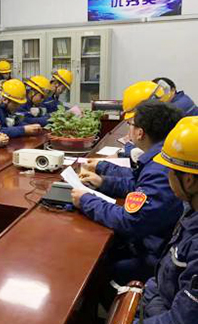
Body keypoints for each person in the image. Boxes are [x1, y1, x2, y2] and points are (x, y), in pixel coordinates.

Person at [72, 100, 184, 284]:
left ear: (140, 133)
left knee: (98, 268)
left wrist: (86, 201)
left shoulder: (160, 167)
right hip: (157, 240)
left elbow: (131, 221)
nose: (129, 129)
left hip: (156, 256)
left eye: (131, 124)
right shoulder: (161, 156)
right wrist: (103, 182)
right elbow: (138, 184)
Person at [133, 116, 198, 323]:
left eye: (169, 171)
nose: (166, 176)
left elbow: (180, 320)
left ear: (189, 180)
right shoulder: (191, 210)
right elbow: (163, 278)